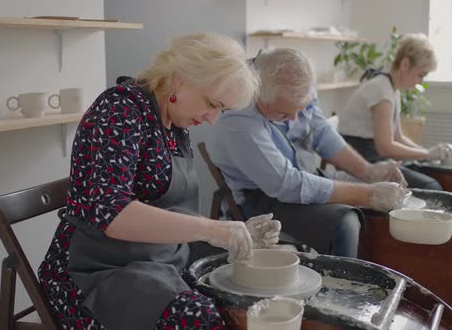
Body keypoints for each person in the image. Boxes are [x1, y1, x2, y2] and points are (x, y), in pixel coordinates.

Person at [37, 33, 282, 330]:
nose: (213, 119)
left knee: (246, 299)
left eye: (222, 110)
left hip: (157, 262)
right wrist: (213, 229)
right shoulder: (119, 111)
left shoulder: (174, 123)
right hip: (95, 272)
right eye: (212, 104)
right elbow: (110, 214)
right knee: (198, 317)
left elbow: (170, 213)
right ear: (180, 79)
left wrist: (237, 236)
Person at [206, 48, 408, 259]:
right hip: (261, 197)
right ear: (259, 98)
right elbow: (287, 184)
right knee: (345, 222)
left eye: (299, 110)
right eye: (284, 113)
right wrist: (369, 194)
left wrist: (368, 171)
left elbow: (322, 133)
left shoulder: (296, 82)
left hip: (301, 174)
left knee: (380, 211)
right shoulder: (238, 118)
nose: (295, 118)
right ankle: (341, 287)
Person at [337, 33, 452, 190]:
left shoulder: (392, 89)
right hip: (362, 160)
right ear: (405, 64)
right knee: (431, 186)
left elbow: (398, 137)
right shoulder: (381, 91)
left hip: (374, 155)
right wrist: (427, 154)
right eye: (421, 74)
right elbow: (385, 147)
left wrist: (428, 154)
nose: (421, 81)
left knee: (432, 171)